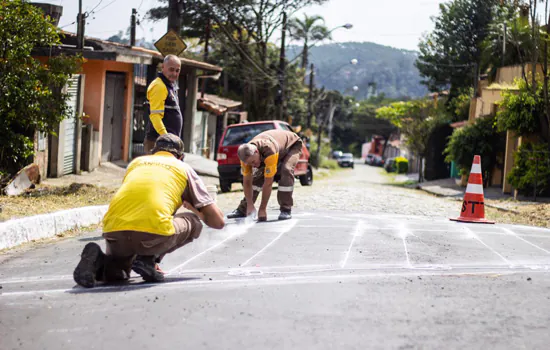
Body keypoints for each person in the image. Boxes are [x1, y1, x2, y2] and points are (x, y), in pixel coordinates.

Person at [73, 134, 225, 288]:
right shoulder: (183, 168)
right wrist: (196, 210)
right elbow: (218, 222)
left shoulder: (136, 164)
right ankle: (148, 259)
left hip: (114, 231)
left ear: (153, 152)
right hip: (151, 233)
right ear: (181, 156)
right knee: (193, 221)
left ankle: (97, 259)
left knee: (117, 274)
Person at [227, 129, 303, 222]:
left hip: (292, 145)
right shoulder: (245, 157)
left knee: (286, 170)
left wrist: (262, 209)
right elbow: (247, 182)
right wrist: (250, 205)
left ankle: (286, 209)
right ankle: (244, 209)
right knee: (257, 176)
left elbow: (268, 183)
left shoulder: (269, 150)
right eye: (250, 164)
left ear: (256, 152)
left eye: (253, 162)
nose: (253, 165)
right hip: (274, 148)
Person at [143, 54, 183, 154]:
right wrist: (166, 138)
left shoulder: (169, 85)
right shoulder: (159, 86)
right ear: (163, 67)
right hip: (159, 143)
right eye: (171, 69)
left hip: (168, 143)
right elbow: (155, 116)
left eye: (177, 70)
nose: (174, 73)